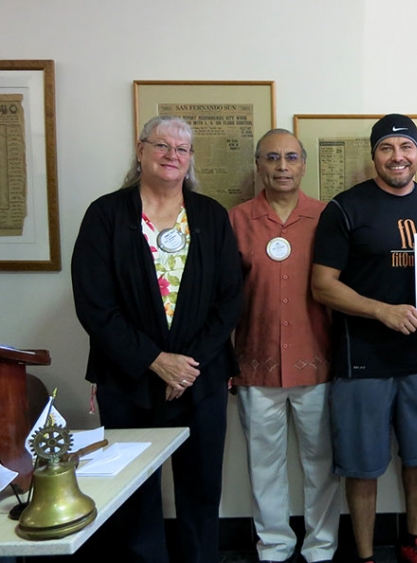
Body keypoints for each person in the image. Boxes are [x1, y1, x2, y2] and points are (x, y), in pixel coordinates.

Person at [71, 115, 242, 563]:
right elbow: (94, 304)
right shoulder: (106, 214)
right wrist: (155, 360)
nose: (172, 155)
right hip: (127, 378)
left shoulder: (210, 215)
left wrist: (185, 365)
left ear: (190, 160)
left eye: (182, 149)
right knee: (134, 493)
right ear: (141, 150)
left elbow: (230, 299)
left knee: (201, 489)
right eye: (162, 146)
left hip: (199, 378)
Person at [311, 114, 417, 563]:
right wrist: (381, 310)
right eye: (387, 148)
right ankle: (366, 553)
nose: (398, 157)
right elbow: (322, 285)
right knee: (363, 465)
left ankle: (414, 538)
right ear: (373, 155)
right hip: (363, 361)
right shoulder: (344, 208)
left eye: (405, 147)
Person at [229, 129, 340, 563]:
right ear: (258, 165)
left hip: (318, 362)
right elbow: (222, 295)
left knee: (321, 463)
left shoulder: (327, 216)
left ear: (304, 164)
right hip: (255, 363)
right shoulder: (236, 220)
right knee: (263, 465)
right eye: (272, 158)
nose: (282, 167)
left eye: (291, 158)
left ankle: (321, 546)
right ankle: (273, 546)